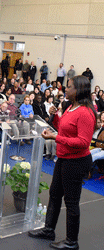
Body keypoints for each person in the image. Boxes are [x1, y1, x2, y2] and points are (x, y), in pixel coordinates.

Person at [28, 76, 96, 250]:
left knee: (71, 202)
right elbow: (64, 129)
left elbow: (83, 142)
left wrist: (55, 137)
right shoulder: (71, 107)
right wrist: (55, 117)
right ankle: (49, 229)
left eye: (69, 87)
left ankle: (71, 241)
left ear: (79, 90)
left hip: (76, 161)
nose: (65, 89)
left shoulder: (85, 113)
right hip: (64, 158)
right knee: (54, 194)